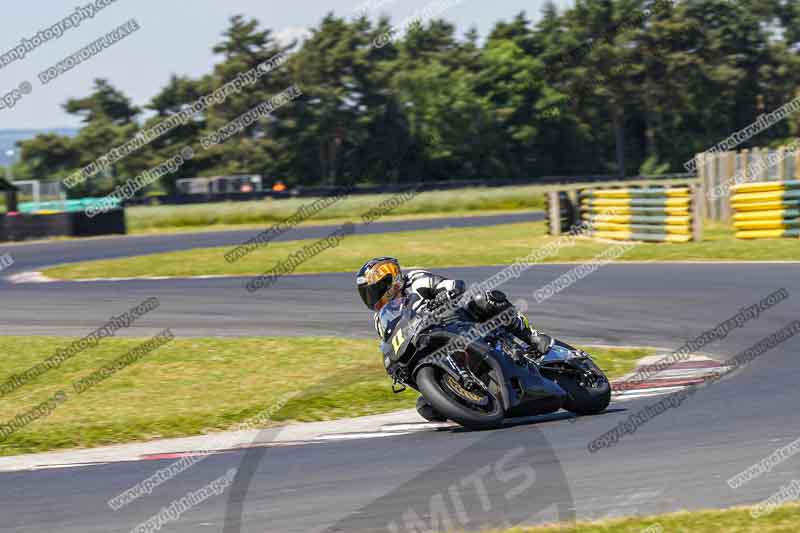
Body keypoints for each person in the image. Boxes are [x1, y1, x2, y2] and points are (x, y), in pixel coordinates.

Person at [355, 256, 551, 421]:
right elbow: (388, 341)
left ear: (391, 280)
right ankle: (465, 396)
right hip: (425, 343)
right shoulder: (381, 318)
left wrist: (445, 293)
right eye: (368, 294)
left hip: (456, 321)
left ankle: (531, 336)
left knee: (484, 299)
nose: (373, 297)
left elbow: (448, 284)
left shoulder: (415, 280)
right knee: (425, 407)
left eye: (376, 289)